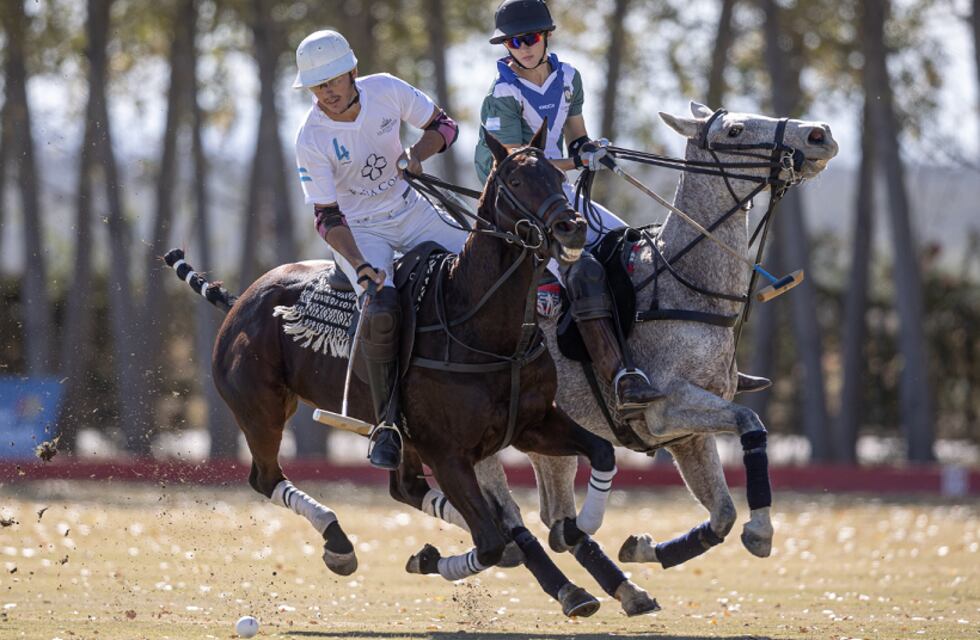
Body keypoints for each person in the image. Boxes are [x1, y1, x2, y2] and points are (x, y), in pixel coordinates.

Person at [474, 0, 770, 413]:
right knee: (584, 270)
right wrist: (579, 161)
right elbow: (519, 164)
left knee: (631, 251)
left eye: (531, 38)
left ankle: (709, 365)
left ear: (547, 37)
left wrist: (588, 148)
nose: (522, 47)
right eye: (514, 42)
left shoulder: (568, 77)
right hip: (518, 203)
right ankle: (620, 377)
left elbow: (576, 136)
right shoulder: (502, 93)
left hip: (556, 194)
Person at [293, 29, 468, 470]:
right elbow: (326, 217)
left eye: (333, 80)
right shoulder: (311, 138)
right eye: (317, 86)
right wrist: (358, 265)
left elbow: (445, 126)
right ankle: (387, 424)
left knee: (481, 261)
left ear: (353, 71)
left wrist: (418, 153)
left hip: (412, 208)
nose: (327, 92)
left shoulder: (387, 89)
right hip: (361, 231)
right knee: (383, 307)